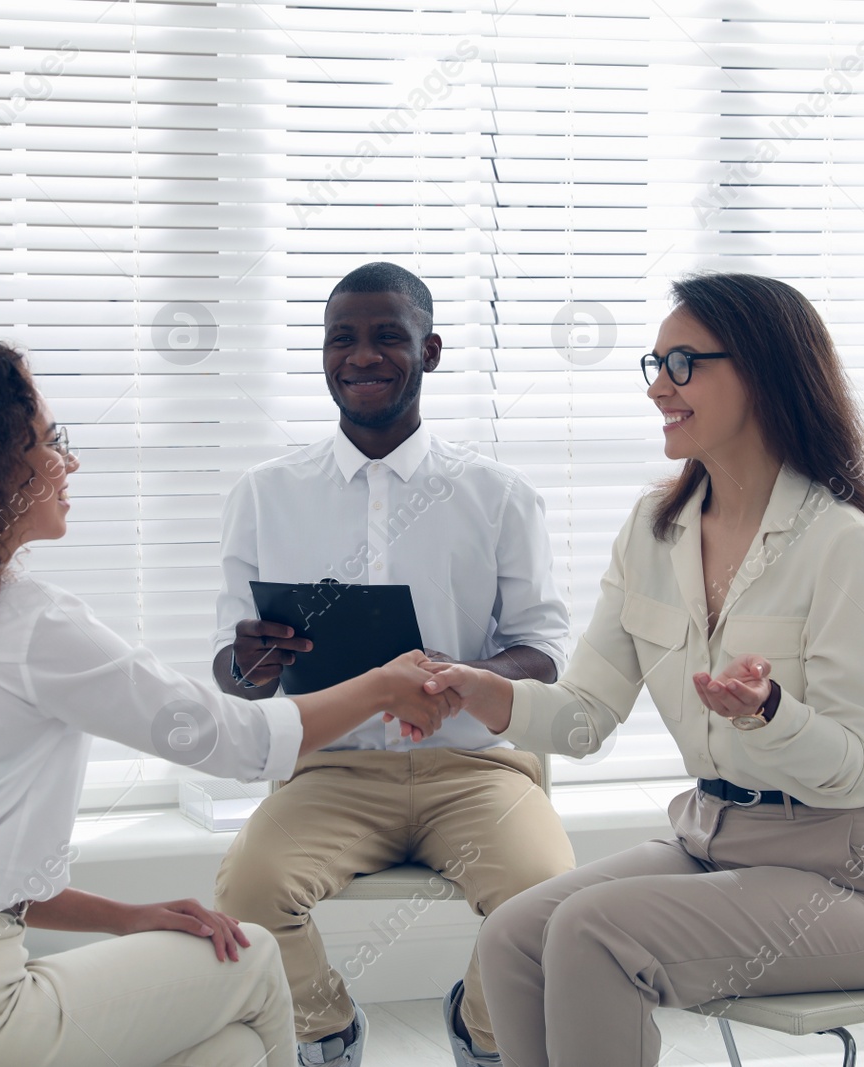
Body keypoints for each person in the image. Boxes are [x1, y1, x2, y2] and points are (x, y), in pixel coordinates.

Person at [0, 341, 453, 1067]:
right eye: (47, 440)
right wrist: (384, 684)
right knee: (251, 957)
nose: (68, 462)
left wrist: (127, 917)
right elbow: (234, 741)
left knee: (226, 1049)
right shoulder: (24, 619)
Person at [423, 273, 864, 1066]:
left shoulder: (840, 543)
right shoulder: (652, 531)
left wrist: (772, 714)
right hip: (711, 843)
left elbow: (863, 767)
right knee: (517, 931)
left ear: (761, 370)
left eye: (684, 363)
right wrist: (492, 695)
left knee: (594, 931)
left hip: (845, 881)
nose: (659, 386)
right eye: (654, 364)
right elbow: (586, 714)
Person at [211, 262, 576, 1067]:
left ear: (431, 350)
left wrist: (467, 675)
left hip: (475, 772)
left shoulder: (498, 493)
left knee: (547, 899)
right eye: (341, 338)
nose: (361, 355)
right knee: (248, 890)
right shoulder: (266, 494)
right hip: (331, 772)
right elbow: (233, 677)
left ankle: (482, 1031)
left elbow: (544, 651)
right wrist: (250, 666)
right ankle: (327, 1032)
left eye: (386, 337)